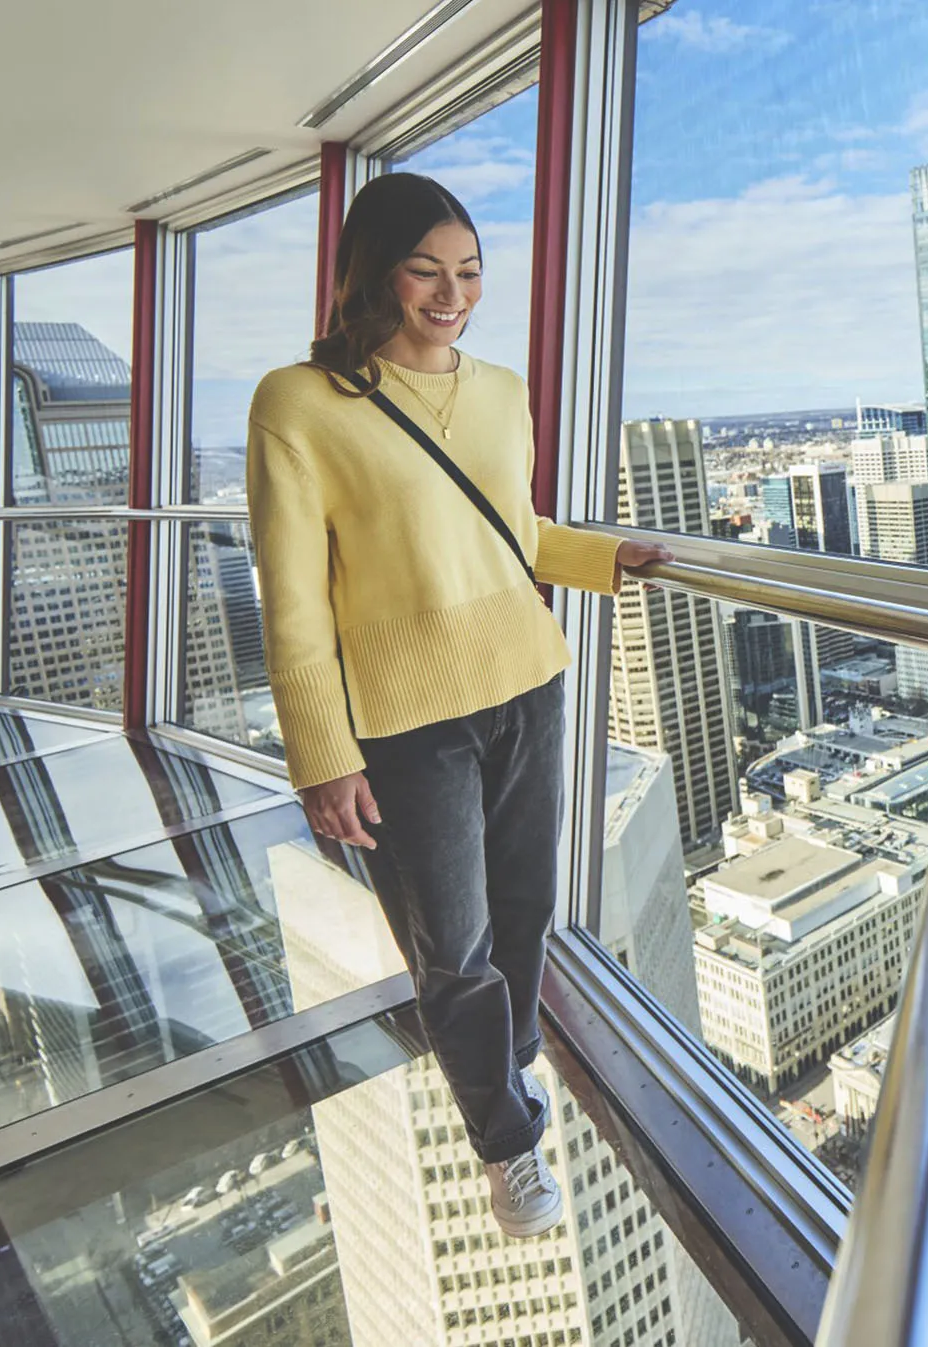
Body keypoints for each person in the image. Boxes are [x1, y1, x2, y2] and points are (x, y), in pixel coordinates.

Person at [245, 172, 669, 1238]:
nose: (452, 293)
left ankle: (504, 1066)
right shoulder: (299, 402)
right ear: (374, 272)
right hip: (404, 719)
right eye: (426, 269)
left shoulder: (500, 389)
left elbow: (510, 532)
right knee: (455, 944)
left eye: (470, 272)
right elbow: (291, 600)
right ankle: (508, 1145)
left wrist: (602, 554)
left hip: (528, 677)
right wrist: (320, 754)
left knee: (526, 911)